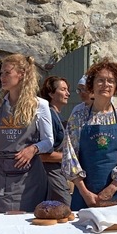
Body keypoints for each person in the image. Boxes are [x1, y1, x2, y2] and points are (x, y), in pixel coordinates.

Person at [63, 60, 117, 209]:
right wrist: (85, 193)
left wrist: (112, 188)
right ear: (91, 85)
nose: (106, 84)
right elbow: (69, 155)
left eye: (111, 81)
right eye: (100, 80)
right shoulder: (78, 117)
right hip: (86, 194)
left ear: (116, 86)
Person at [0, 54, 54, 213]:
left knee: (27, 221)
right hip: (2, 174)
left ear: (21, 74)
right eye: (1, 73)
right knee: (0, 222)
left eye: (7, 73)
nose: (2, 77)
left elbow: (49, 141)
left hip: (29, 177)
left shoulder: (39, 105)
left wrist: (33, 149)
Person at [40, 75, 72, 206]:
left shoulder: (58, 115)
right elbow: (43, 156)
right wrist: (69, 157)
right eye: (63, 89)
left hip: (59, 170)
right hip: (50, 172)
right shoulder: (49, 116)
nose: (68, 93)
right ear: (51, 93)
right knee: (63, 205)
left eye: (67, 90)